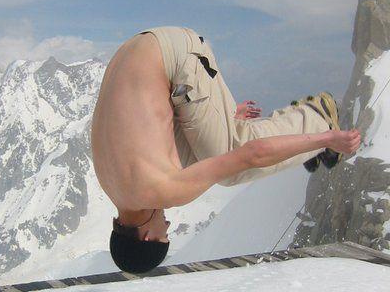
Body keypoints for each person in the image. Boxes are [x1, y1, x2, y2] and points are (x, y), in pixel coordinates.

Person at [90, 26, 361, 274]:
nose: (168, 225)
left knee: (230, 163)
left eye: (165, 233)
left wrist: (324, 139)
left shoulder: (159, 190)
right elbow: (146, 121)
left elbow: (253, 154)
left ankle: (316, 116)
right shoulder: (111, 183)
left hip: (174, 54)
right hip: (140, 47)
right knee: (198, 157)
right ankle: (227, 121)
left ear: (146, 236)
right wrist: (219, 116)